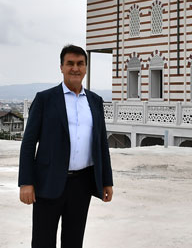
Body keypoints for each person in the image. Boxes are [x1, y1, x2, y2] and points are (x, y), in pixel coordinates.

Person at [18, 44, 114, 248]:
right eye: (70, 63)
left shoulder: (95, 101)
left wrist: (107, 181)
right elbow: (28, 144)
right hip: (48, 182)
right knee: (43, 242)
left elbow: (101, 144)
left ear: (86, 68)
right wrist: (26, 182)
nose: (75, 68)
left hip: (82, 184)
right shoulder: (45, 99)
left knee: (74, 241)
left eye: (80, 64)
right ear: (61, 67)